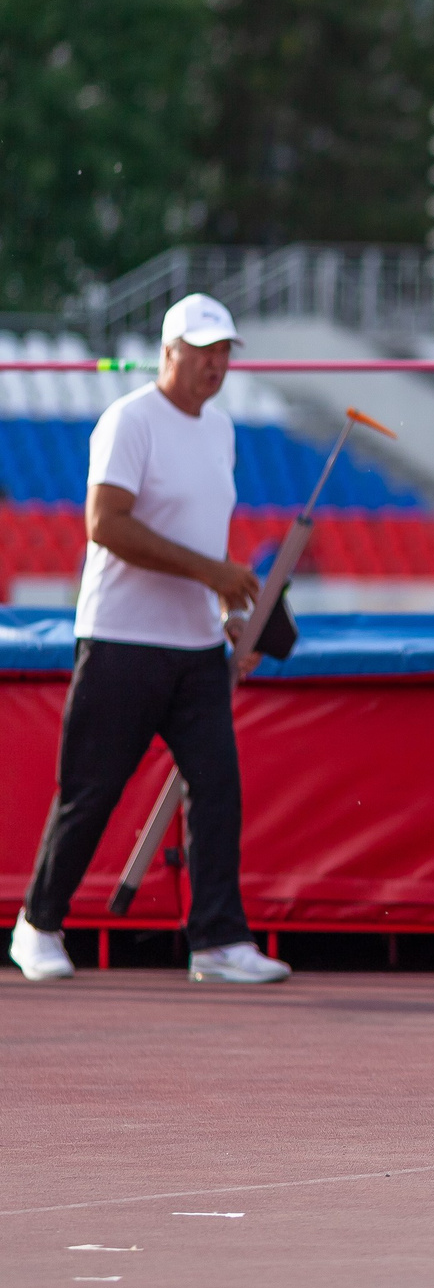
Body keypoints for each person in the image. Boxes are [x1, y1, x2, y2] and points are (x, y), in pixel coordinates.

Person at [9, 293, 290, 985]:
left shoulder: (221, 431)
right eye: (204, 352)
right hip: (119, 638)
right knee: (92, 790)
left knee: (218, 788)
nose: (217, 365)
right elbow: (105, 524)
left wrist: (227, 613)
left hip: (195, 645)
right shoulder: (128, 421)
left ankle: (218, 940)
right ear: (170, 352)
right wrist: (212, 572)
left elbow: (203, 539)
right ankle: (38, 924)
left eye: (225, 352)